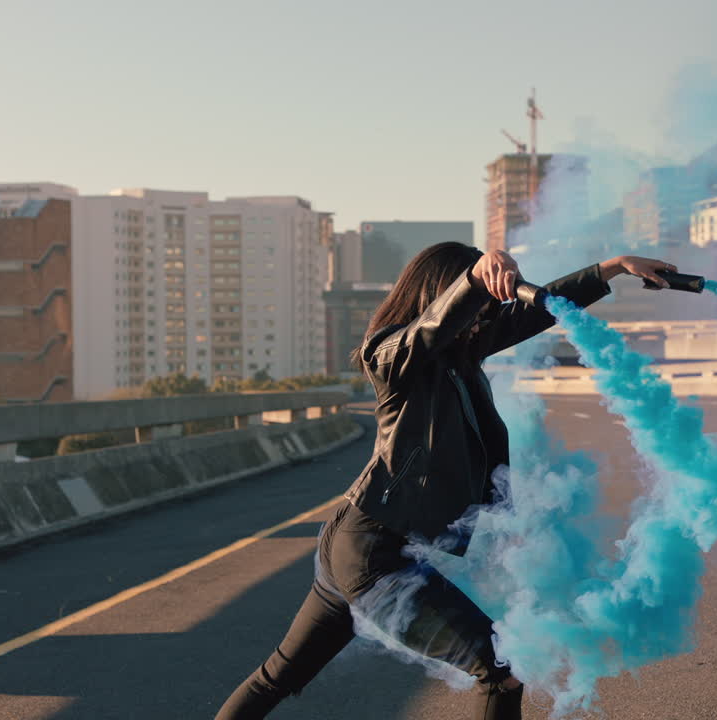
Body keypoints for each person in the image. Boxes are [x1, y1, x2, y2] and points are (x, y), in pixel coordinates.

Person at [215, 243, 677, 720]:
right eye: (477, 310)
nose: (483, 322)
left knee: (277, 676)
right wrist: (475, 280)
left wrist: (611, 269)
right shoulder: (389, 355)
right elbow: (431, 328)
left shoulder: (461, 354)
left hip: (365, 544)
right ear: (442, 295)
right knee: (502, 668)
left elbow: (534, 312)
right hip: (374, 555)